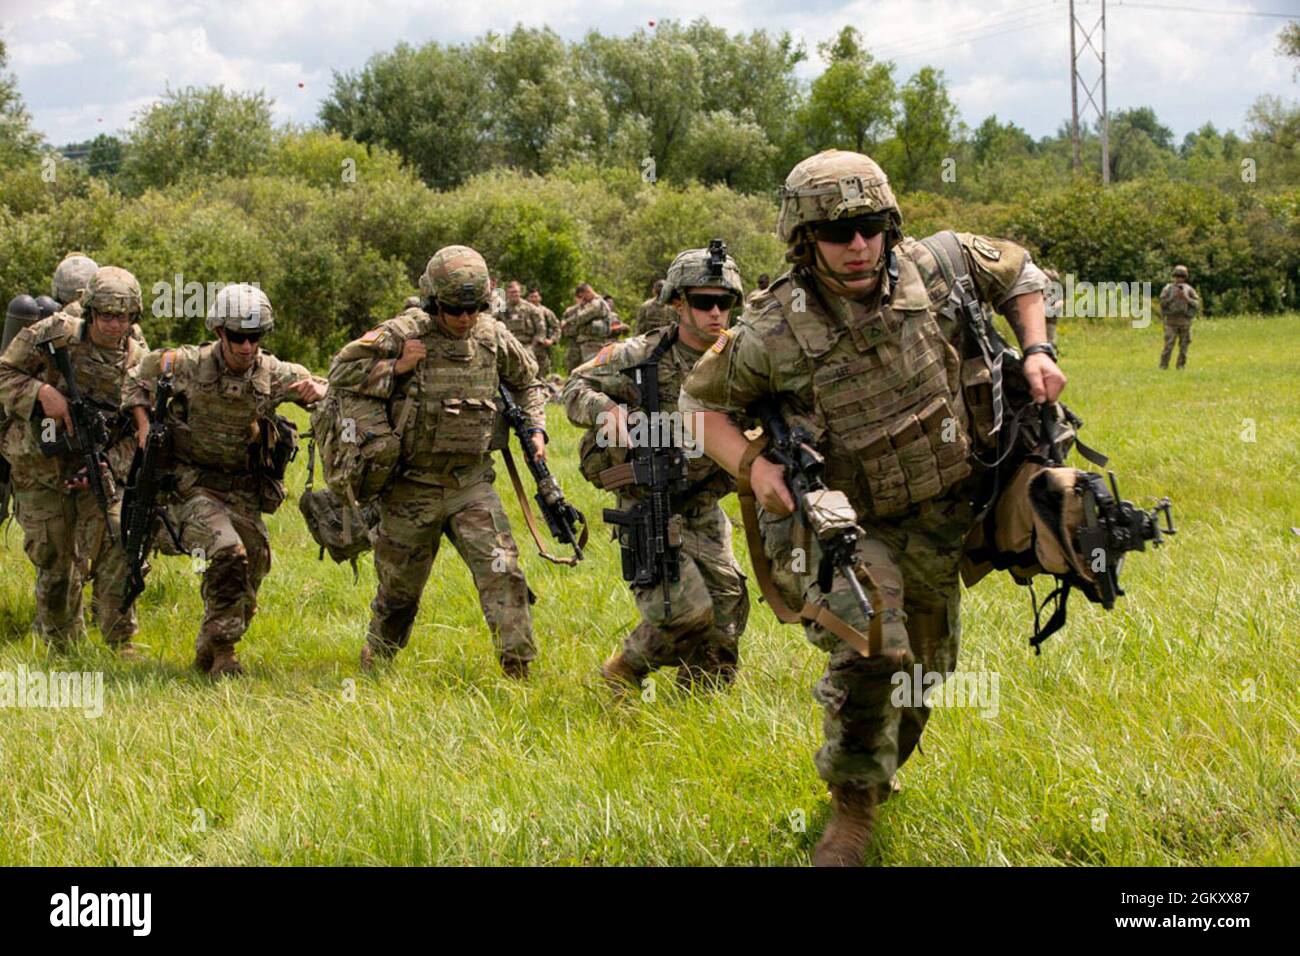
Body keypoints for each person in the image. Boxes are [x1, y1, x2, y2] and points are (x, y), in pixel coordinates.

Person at [679, 149, 1066, 866]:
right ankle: (849, 814)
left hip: (942, 511)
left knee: (926, 672)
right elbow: (695, 406)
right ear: (803, 240)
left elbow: (1022, 274)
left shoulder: (939, 264)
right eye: (835, 232)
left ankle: (876, 775)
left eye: (868, 227)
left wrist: (1036, 348)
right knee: (873, 644)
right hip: (842, 524)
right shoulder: (769, 330)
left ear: (888, 223)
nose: (856, 245)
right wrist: (753, 462)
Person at [328, 246, 549, 679]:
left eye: (473, 308)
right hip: (412, 486)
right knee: (400, 594)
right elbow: (340, 371)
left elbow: (528, 383)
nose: (464, 319)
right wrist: (397, 366)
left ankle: (518, 670)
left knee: (503, 571)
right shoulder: (404, 332)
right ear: (434, 302)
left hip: (471, 484)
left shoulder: (492, 336)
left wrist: (536, 430)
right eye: (453, 309)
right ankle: (378, 657)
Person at [563, 246, 750, 694]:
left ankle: (698, 709)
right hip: (649, 506)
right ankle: (624, 670)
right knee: (685, 613)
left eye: (726, 302)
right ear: (678, 302)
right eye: (705, 302)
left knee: (728, 612)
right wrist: (605, 410)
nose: (717, 312)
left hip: (705, 505)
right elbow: (574, 385)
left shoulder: (742, 357)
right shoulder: (639, 355)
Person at [123, 284, 325, 677]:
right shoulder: (182, 364)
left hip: (242, 491)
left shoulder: (274, 374)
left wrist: (318, 391)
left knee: (253, 569)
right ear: (219, 332)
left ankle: (209, 646)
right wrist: (144, 426)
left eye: (255, 337)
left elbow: (326, 391)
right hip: (191, 486)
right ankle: (225, 655)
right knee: (227, 552)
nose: (247, 347)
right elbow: (134, 381)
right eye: (237, 337)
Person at [0, 267, 148, 655]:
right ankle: (61, 646)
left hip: (96, 467)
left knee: (121, 539)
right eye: (106, 316)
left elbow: (142, 433)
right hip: (40, 466)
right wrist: (40, 392)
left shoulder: (137, 361)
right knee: (55, 557)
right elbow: (3, 372)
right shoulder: (54, 333)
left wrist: (107, 466)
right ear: (90, 311)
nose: (115, 325)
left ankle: (120, 641)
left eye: (124, 316)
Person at [560, 283, 614, 372]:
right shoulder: (593, 303)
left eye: (583, 297)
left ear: (587, 292)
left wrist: (568, 321)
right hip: (588, 342)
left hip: (592, 342)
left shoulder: (596, 303)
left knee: (590, 370)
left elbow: (581, 317)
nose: (583, 300)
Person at [1158, 264, 1200, 370]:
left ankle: (1181, 366)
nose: (1179, 279)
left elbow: (1197, 304)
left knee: (1184, 347)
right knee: (1168, 346)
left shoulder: (1189, 289)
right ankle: (1163, 366)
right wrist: (1172, 298)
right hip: (1171, 321)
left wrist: (1186, 298)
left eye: (1181, 277)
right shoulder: (1167, 289)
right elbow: (1162, 303)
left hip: (1185, 321)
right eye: (1177, 276)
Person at [525, 285, 560, 378]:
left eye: (535, 296)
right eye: (531, 297)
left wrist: (551, 340)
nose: (533, 299)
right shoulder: (523, 310)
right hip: (526, 346)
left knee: (542, 375)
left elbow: (556, 327)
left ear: (540, 298)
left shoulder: (546, 312)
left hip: (541, 348)